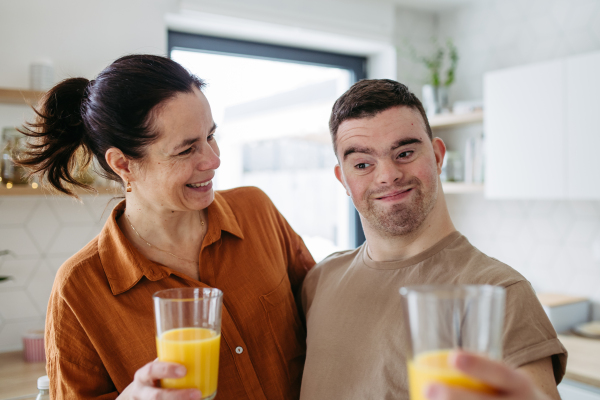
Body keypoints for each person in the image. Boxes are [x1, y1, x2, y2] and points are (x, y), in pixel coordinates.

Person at [18, 55, 315, 400]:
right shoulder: (79, 289)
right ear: (123, 164)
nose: (213, 160)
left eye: (211, 136)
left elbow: (323, 311)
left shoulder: (257, 212)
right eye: (186, 149)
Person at [300, 79, 567, 400]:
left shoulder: (498, 292)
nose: (387, 175)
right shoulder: (320, 280)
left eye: (405, 152)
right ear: (343, 179)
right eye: (362, 164)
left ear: (438, 157)